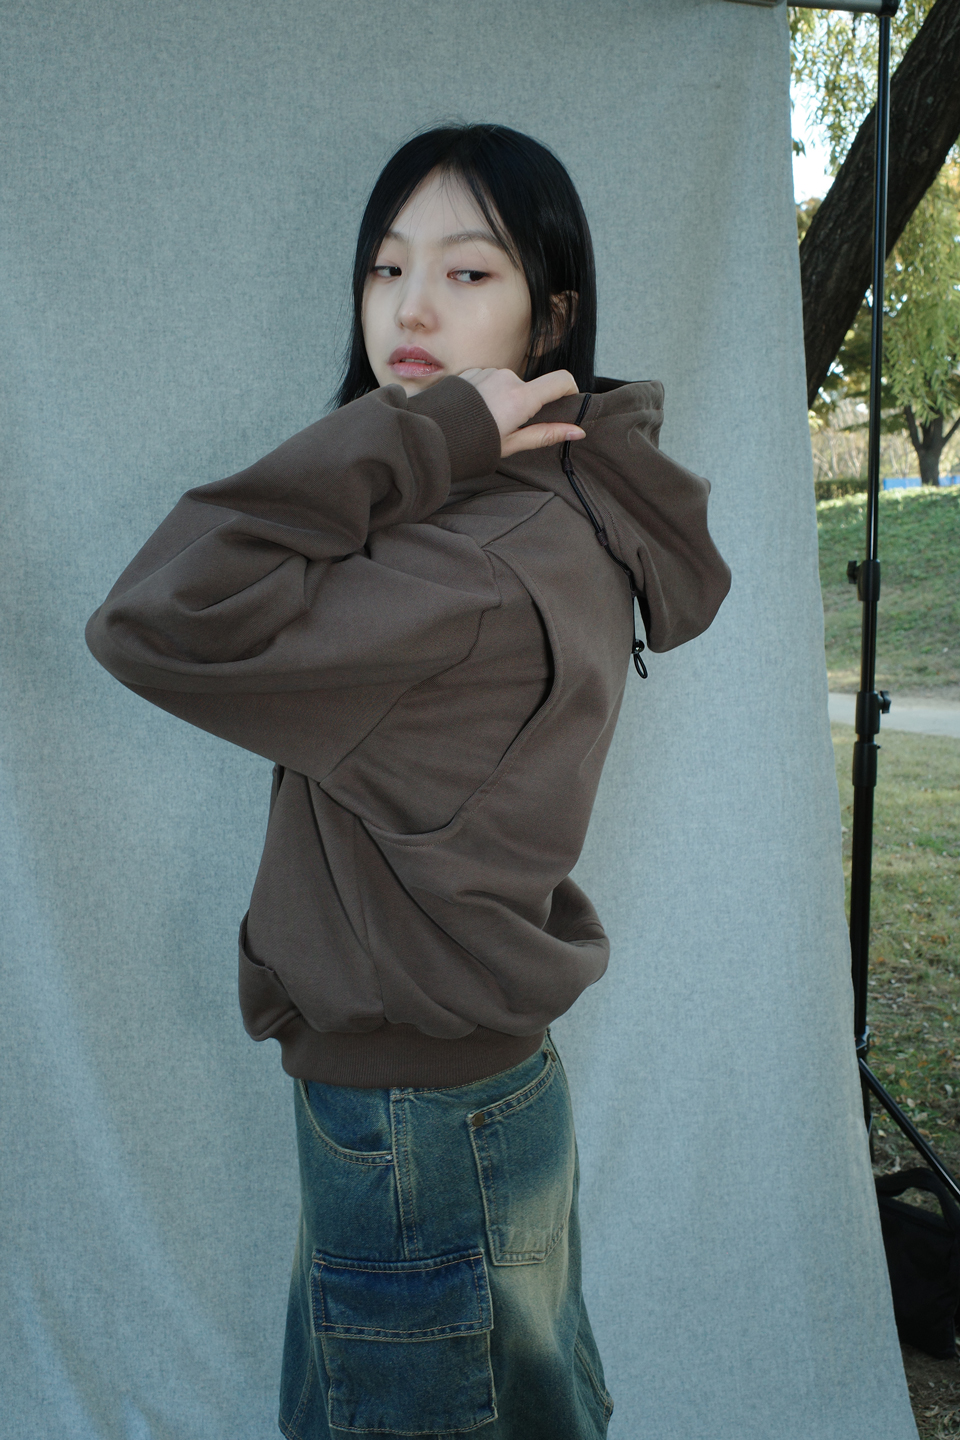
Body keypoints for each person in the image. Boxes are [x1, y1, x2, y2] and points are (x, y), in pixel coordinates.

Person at [86, 123, 731, 1439]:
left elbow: (152, 617)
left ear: (553, 315)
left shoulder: (468, 562)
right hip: (476, 1096)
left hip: (413, 1128)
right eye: (386, 268)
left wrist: (423, 438)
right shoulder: (560, 502)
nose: (411, 308)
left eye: (467, 272)